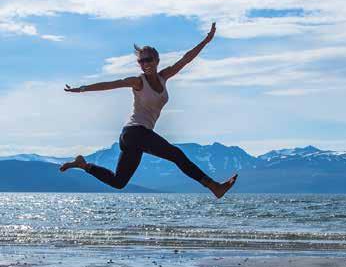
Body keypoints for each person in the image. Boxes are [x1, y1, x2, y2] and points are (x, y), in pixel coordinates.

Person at [60, 23, 237, 198]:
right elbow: (110, 84)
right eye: (141, 61)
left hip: (134, 137)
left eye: (148, 59)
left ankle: (84, 165)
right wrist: (81, 88)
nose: (145, 63)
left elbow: (186, 59)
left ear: (157, 60)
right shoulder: (138, 82)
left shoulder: (163, 77)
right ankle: (214, 187)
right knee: (176, 154)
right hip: (135, 132)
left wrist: (206, 40)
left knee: (118, 182)